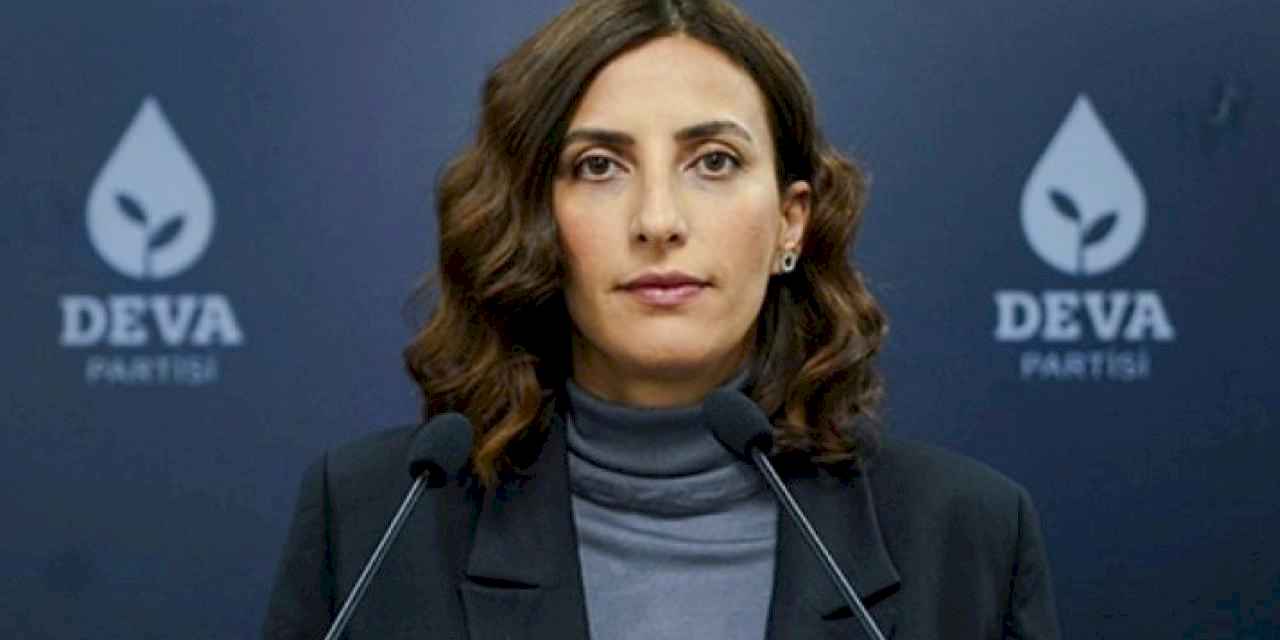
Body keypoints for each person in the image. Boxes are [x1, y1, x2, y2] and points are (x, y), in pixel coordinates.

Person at [262, 1, 1061, 638]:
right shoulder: (373, 523)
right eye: (599, 166)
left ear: (791, 222)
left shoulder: (968, 534)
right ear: (535, 220)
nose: (658, 221)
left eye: (713, 161)